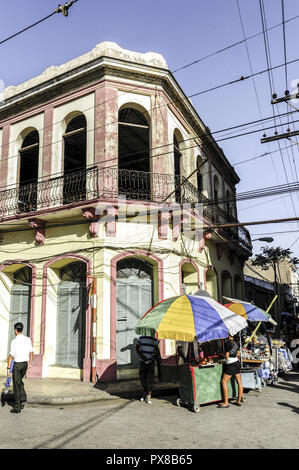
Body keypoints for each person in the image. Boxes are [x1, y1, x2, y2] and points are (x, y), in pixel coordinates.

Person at [7, 322, 34, 414]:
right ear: (21, 329)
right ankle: (23, 398)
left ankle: (17, 407)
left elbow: (11, 356)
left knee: (16, 385)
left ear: (15, 330)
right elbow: (31, 352)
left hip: (17, 365)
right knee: (19, 381)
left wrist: (8, 369)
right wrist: (30, 363)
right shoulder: (27, 339)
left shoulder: (14, 341)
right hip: (24, 365)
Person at [218, 334, 243, 408]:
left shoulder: (228, 343)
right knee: (239, 383)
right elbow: (238, 353)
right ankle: (238, 401)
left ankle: (226, 403)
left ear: (229, 335)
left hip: (231, 364)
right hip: (237, 363)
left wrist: (221, 359)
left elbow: (226, 356)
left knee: (224, 382)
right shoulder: (237, 342)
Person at [136, 335, 161, 405]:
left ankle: (149, 396)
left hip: (151, 363)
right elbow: (137, 348)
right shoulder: (140, 338)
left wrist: (155, 353)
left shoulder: (154, 340)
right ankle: (145, 392)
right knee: (142, 380)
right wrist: (142, 356)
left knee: (150, 380)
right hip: (142, 362)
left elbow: (156, 350)